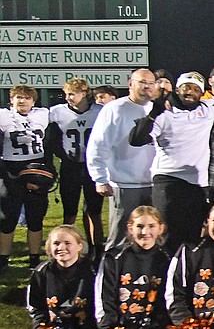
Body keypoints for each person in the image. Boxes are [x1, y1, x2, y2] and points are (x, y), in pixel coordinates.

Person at [129, 71, 214, 253]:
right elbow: (136, 139)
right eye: (186, 88)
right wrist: (154, 112)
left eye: (196, 89)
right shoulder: (163, 113)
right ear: (177, 89)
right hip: (168, 180)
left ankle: (186, 278)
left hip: (197, 184)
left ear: (202, 93)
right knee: (167, 235)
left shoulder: (208, 108)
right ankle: (163, 276)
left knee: (193, 236)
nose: (190, 92)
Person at [94, 206, 172, 329]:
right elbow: (105, 298)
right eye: (140, 226)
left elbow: (169, 299)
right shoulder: (113, 258)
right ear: (130, 228)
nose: (145, 232)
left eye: (151, 226)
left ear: (161, 228)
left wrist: (157, 326)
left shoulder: (168, 258)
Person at [87, 69, 157, 251]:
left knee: (153, 236)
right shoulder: (115, 109)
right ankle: (111, 274)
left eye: (150, 83)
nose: (146, 87)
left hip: (155, 184)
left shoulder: (158, 108)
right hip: (125, 184)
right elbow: (98, 144)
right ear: (130, 84)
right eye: (142, 82)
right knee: (120, 236)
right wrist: (100, 178)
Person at [25, 225, 97, 329]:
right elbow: (35, 307)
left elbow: (99, 304)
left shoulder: (92, 270)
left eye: (67, 243)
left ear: (80, 246)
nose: (61, 247)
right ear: (49, 247)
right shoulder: (41, 272)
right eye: (56, 243)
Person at [45, 78, 105, 260]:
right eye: (67, 94)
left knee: (93, 210)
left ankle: (96, 249)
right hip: (70, 166)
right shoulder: (57, 112)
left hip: (92, 167)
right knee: (69, 210)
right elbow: (51, 140)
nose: (68, 98)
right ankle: (66, 245)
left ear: (84, 93)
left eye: (72, 94)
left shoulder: (99, 112)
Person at [0, 84, 50, 270]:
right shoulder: (4, 116)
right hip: (11, 169)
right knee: (7, 218)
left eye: (27, 98)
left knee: (35, 218)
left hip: (36, 167)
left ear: (33, 101)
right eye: (18, 97)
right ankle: (4, 258)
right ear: (11, 100)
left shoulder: (42, 114)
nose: (22, 101)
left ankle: (34, 258)